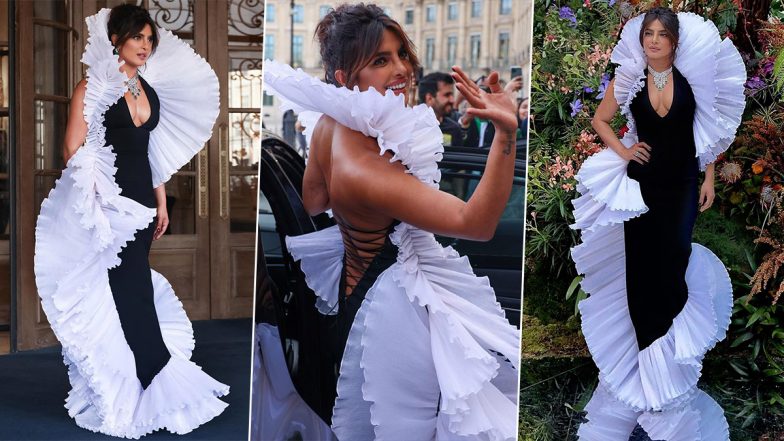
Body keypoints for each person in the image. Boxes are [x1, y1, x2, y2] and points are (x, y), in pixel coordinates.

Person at [262, 4, 520, 440]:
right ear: (344, 77)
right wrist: (507, 134)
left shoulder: (331, 124)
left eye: (401, 53)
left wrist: (354, 221)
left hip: (357, 296)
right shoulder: (367, 170)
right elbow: (475, 223)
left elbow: (313, 198)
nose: (402, 69)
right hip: (390, 316)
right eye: (381, 60)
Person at [34, 5, 229, 438]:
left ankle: (140, 374)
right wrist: (101, 202)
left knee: (131, 288)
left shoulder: (147, 88)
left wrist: (161, 202)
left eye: (149, 39)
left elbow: (150, 151)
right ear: (116, 40)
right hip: (111, 208)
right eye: (137, 37)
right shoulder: (94, 87)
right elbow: (72, 150)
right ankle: (150, 377)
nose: (145, 45)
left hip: (144, 202)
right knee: (131, 289)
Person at [571, 8, 745, 440]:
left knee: (673, 273)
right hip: (643, 187)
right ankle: (647, 379)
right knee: (641, 277)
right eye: (647, 33)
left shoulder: (691, 79)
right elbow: (599, 119)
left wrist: (708, 177)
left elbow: (709, 130)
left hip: (683, 186)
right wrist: (624, 152)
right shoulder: (629, 77)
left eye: (661, 35)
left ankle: (669, 376)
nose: (653, 41)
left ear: (674, 42)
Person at [418, 72, 467, 146]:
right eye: (447, 95)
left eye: (452, 95)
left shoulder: (454, 129)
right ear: (429, 98)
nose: (452, 100)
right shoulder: (410, 128)